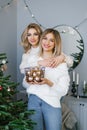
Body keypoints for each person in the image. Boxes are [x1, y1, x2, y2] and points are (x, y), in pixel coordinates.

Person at [22, 28, 70, 130]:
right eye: (45, 38)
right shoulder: (33, 59)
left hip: (51, 102)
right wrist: (28, 81)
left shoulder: (61, 63)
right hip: (33, 101)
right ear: (41, 39)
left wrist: (48, 82)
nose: (47, 42)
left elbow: (63, 91)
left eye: (51, 40)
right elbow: (24, 84)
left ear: (56, 43)